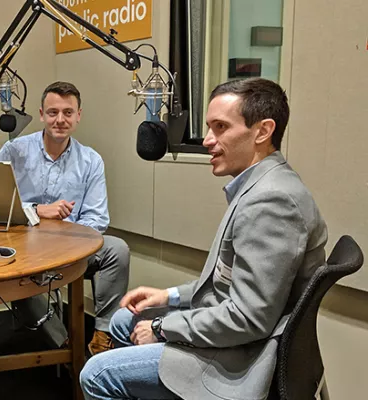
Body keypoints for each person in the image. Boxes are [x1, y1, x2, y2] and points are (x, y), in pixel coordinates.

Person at [79, 78, 328, 400]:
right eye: (208, 127)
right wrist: (167, 296)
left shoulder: (273, 202)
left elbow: (248, 318)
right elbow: (226, 285)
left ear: (263, 131)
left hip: (245, 356)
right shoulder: (262, 185)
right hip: (240, 336)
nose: (208, 140)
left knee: (97, 374)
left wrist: (160, 328)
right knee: (126, 318)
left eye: (221, 127)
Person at [0, 81, 130, 355]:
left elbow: (97, 218)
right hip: (22, 248)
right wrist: (35, 211)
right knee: (19, 276)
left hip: (71, 247)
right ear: (41, 114)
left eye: (68, 113)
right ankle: (62, 343)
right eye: (53, 112)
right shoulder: (14, 152)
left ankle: (103, 335)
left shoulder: (91, 160)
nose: (60, 120)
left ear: (79, 115)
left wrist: (63, 242)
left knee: (117, 249)